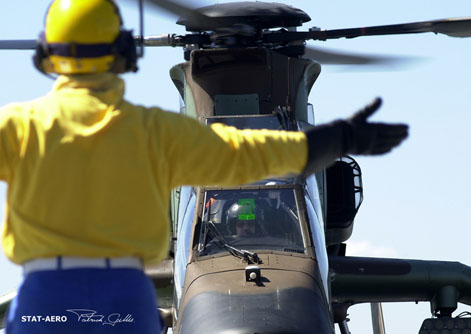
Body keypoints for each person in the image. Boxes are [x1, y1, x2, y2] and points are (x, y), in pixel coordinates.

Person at [0, 1, 408, 333]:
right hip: (123, 297)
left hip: (46, 298)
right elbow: (248, 155)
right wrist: (336, 140)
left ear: (45, 54)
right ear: (123, 51)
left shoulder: (16, 126)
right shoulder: (155, 131)